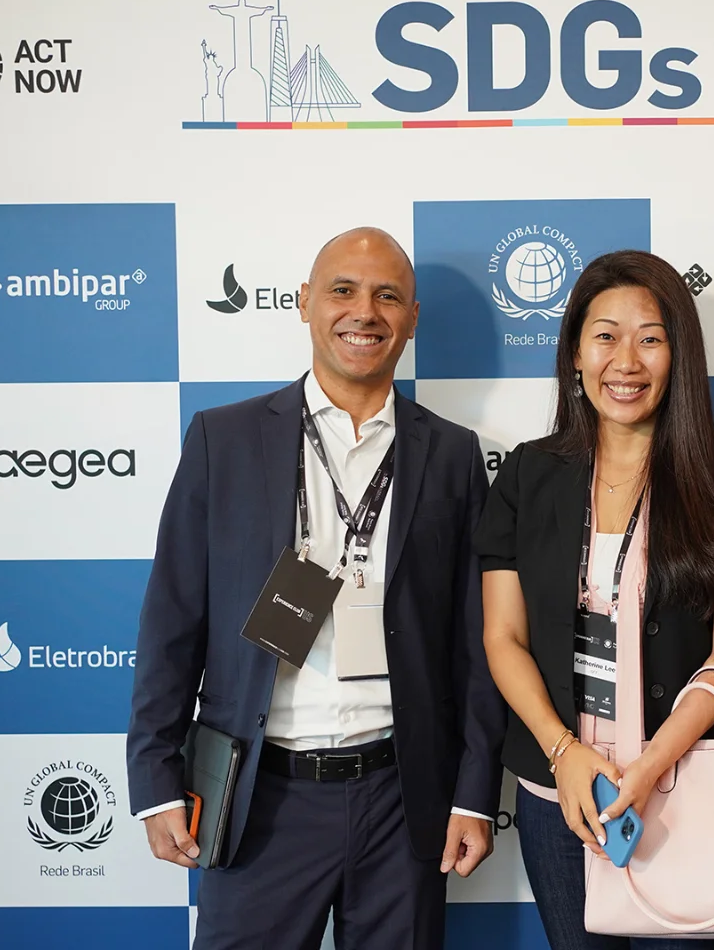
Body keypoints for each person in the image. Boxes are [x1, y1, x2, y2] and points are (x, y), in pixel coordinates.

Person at [126, 227, 507, 950]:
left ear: (412, 318)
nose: (364, 312)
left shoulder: (453, 455)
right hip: (259, 797)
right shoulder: (223, 440)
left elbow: (476, 643)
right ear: (304, 303)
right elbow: (172, 621)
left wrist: (475, 791)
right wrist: (155, 776)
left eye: (387, 296)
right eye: (343, 290)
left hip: (403, 797)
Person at [474, 250, 714, 950]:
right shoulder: (529, 473)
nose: (627, 360)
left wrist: (649, 767)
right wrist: (563, 752)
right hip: (559, 794)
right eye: (605, 335)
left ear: (679, 356)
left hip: (684, 788)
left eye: (650, 337)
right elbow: (504, 638)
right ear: (575, 355)